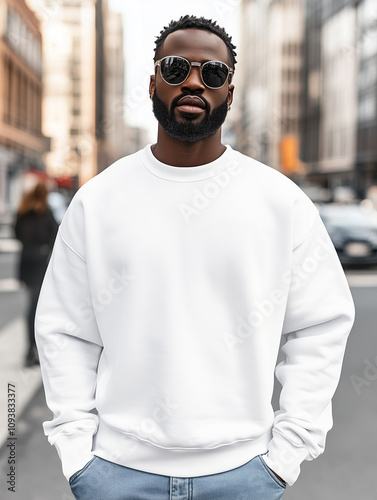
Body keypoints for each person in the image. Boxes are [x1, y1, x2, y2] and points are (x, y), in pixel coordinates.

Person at [35, 15, 355, 500]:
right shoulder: (99, 200)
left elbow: (320, 325)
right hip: (114, 474)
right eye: (176, 67)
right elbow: (63, 329)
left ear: (229, 92)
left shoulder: (279, 201)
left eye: (211, 74)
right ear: (152, 83)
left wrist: (286, 455)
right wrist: (79, 456)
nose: (192, 82)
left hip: (245, 476)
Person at [14, 182, 58, 366]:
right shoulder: (46, 214)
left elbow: (17, 234)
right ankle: (33, 350)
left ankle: (30, 348)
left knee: (31, 304)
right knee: (36, 306)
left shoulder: (22, 213)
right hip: (40, 261)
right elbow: (55, 236)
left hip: (25, 261)